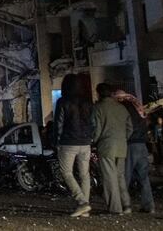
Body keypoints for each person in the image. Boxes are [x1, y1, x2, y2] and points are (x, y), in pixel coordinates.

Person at [53, 73, 94, 218]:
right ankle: (85, 208)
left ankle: (82, 202)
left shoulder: (62, 102)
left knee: (67, 173)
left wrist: (56, 142)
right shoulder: (88, 102)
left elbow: (59, 124)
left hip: (68, 142)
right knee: (85, 174)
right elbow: (92, 123)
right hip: (85, 142)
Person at [92, 82, 132, 215]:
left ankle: (115, 208)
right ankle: (126, 204)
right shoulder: (121, 108)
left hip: (106, 145)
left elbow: (96, 129)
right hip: (122, 145)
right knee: (120, 176)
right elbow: (129, 128)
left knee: (109, 177)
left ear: (99, 93)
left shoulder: (98, 107)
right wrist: (123, 138)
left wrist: (94, 141)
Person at [115, 90, 154, 213]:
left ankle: (124, 205)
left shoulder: (125, 108)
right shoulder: (137, 106)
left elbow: (126, 127)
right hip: (142, 144)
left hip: (131, 144)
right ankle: (149, 206)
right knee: (143, 177)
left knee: (125, 176)